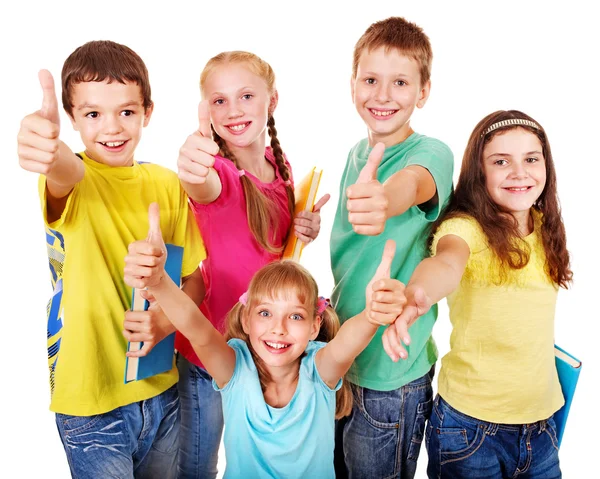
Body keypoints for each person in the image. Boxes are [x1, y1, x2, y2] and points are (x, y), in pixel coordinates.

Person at [17, 40, 205, 478]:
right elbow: (62, 168)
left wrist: (166, 321)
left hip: (161, 391)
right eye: (92, 114)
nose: (112, 127)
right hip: (91, 404)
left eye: (126, 111)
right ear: (72, 119)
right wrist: (46, 146)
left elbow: (194, 280)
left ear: (147, 113)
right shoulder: (74, 181)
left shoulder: (168, 184)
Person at [125, 203, 404, 478]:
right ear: (246, 320)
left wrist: (371, 316)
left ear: (314, 327)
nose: (278, 329)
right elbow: (197, 330)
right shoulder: (234, 369)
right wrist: (160, 282)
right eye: (265, 313)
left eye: (295, 317)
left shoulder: (320, 370)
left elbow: (346, 344)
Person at [384, 110, 571, 478]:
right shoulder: (464, 228)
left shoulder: (545, 224)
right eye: (501, 161)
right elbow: (447, 263)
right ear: (479, 172)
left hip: (541, 426)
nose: (519, 172)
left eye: (531, 159)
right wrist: (417, 294)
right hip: (470, 432)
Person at [173, 50, 328, 477]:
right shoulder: (218, 172)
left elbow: (272, 254)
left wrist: (304, 228)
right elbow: (199, 185)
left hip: (262, 355)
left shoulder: (280, 166)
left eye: (245, 96)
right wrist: (192, 164)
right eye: (219, 101)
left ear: (271, 101)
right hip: (211, 359)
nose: (233, 111)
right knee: (197, 467)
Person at [330, 16, 454, 478]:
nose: (382, 95)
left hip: (390, 377)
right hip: (341, 357)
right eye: (371, 80)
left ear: (422, 92)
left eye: (400, 82)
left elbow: (414, 184)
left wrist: (385, 198)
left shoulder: (432, 152)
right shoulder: (355, 156)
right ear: (353, 84)